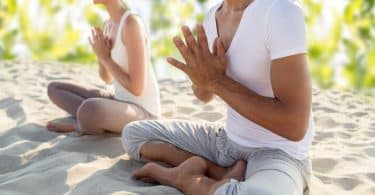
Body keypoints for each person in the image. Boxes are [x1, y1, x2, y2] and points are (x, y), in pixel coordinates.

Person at [122, 0, 313, 194]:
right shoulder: (213, 16)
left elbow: (295, 125)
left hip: (277, 153)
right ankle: (218, 172)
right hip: (227, 143)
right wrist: (202, 79)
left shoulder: (281, 10)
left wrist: (216, 81)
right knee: (134, 135)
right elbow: (204, 95)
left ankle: (194, 182)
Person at [46, 0, 160, 135]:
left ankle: (78, 127)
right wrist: (102, 56)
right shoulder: (107, 25)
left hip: (142, 111)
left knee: (89, 108)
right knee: (54, 89)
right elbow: (106, 78)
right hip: (119, 100)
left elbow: (137, 88)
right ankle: (93, 120)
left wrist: (105, 58)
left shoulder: (131, 24)